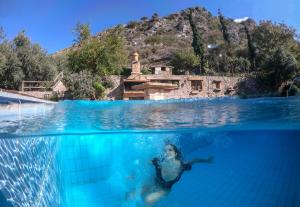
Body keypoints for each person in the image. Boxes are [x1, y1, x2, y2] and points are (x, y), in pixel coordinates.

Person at [144, 144, 214, 205]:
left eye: (170, 150)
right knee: (135, 193)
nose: (167, 152)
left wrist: (207, 160)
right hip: (153, 182)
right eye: (165, 151)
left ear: (175, 153)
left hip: (164, 189)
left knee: (148, 200)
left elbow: (194, 160)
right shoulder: (158, 161)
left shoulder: (182, 165)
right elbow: (143, 163)